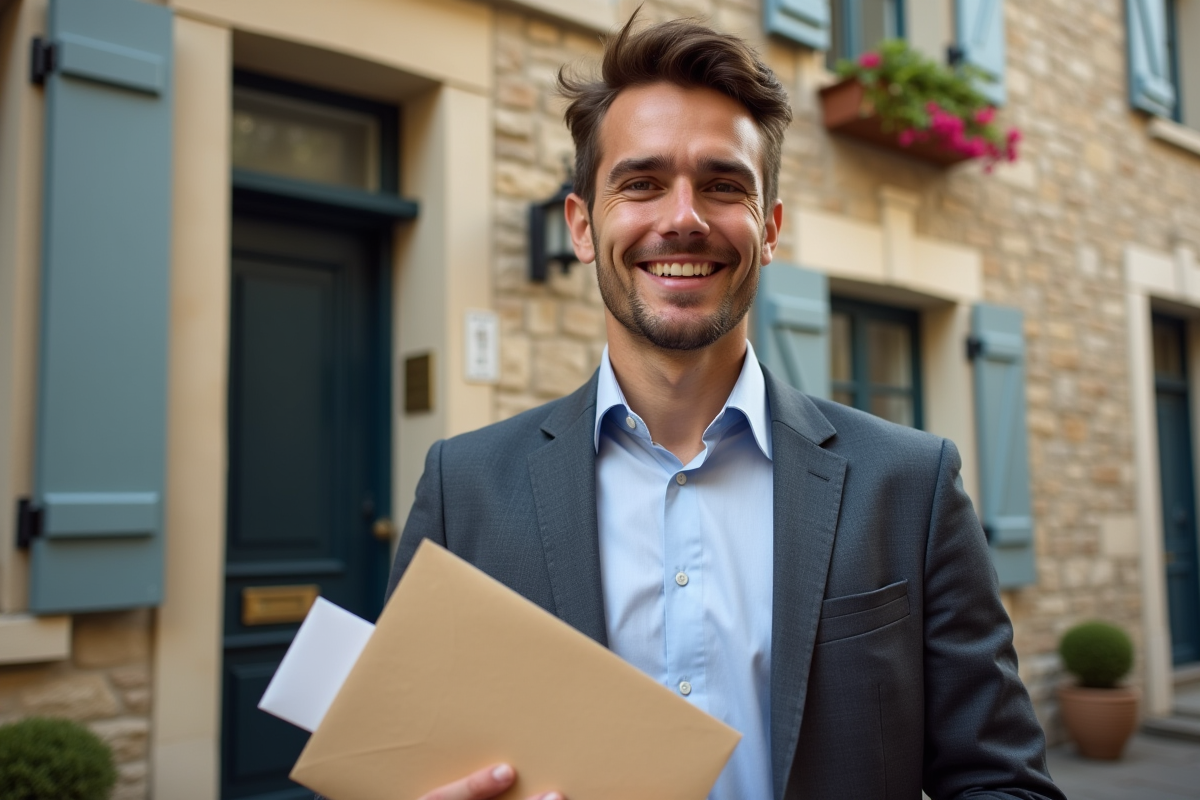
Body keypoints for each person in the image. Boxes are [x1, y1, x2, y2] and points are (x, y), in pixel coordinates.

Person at [388, 14, 1065, 800]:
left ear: (770, 229)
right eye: (640, 183)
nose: (684, 217)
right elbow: (392, 754)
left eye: (722, 184)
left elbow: (1003, 784)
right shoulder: (462, 489)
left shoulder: (910, 487)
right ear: (581, 225)